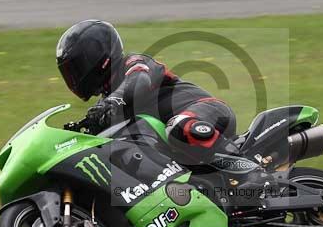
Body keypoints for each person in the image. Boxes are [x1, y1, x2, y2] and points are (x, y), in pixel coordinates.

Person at [56, 19, 236, 164]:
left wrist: (111, 102)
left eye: (77, 68)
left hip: (207, 110)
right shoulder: (107, 104)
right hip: (182, 146)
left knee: (178, 126)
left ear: (97, 55)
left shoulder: (133, 62)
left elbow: (139, 80)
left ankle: (244, 167)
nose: (74, 77)